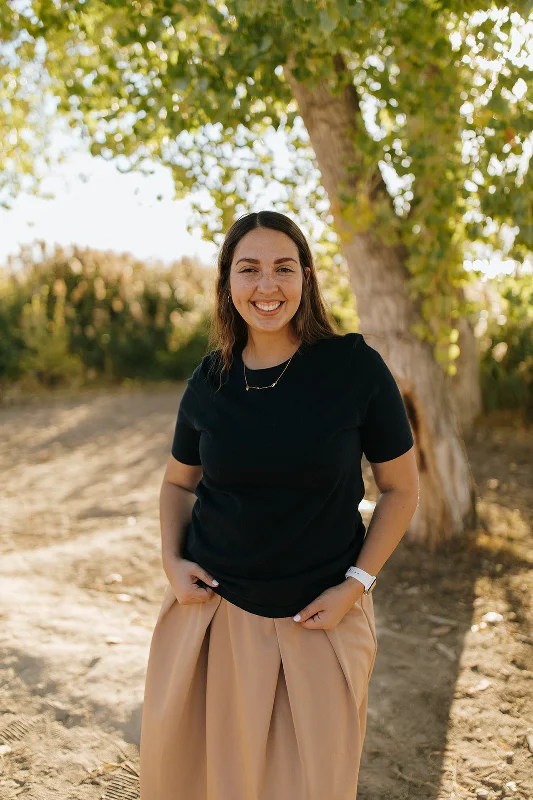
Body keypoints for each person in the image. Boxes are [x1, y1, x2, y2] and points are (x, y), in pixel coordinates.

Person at [139, 210, 419, 799]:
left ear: (307, 277)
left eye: (283, 268)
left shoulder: (354, 368)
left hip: (321, 617)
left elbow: (401, 488)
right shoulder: (209, 380)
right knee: (202, 786)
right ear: (228, 283)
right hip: (213, 617)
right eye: (250, 270)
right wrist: (171, 560)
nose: (267, 286)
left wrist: (356, 585)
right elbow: (177, 484)